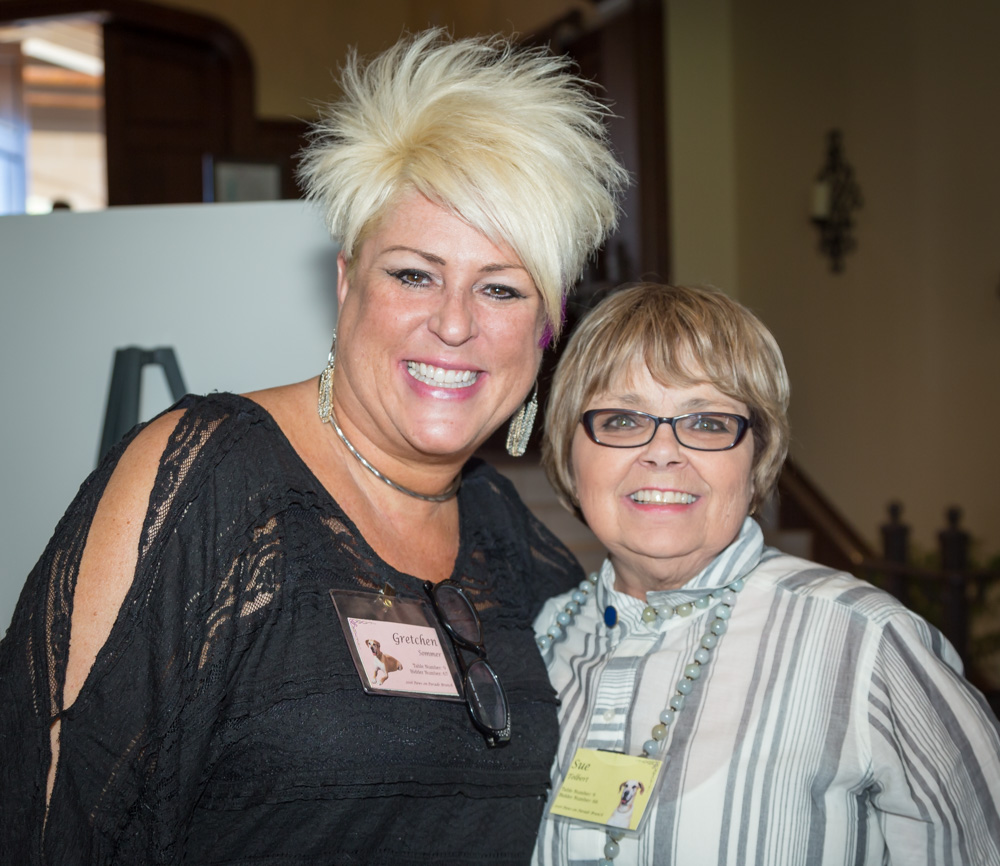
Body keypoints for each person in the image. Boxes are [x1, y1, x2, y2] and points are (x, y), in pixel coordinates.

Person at [0, 30, 627, 864]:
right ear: (345, 282)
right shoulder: (210, 481)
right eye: (414, 274)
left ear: (547, 327)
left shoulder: (515, 544)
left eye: (502, 288)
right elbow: (46, 810)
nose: (454, 323)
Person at [532, 283, 1000, 865]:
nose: (663, 451)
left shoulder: (866, 644)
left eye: (706, 422)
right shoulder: (539, 634)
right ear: (569, 452)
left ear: (757, 459)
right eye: (623, 419)